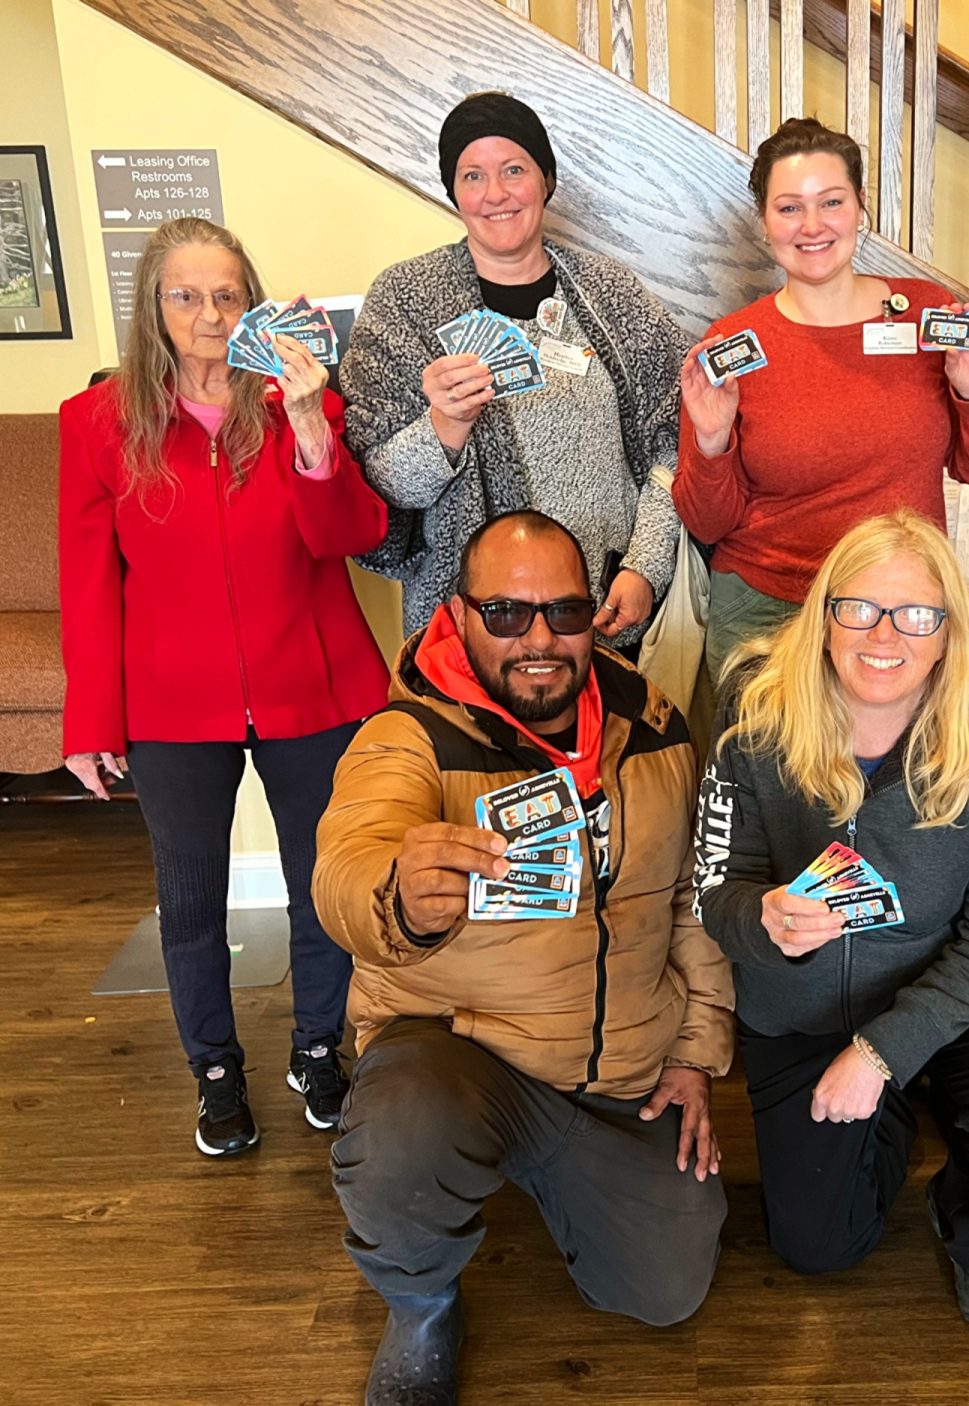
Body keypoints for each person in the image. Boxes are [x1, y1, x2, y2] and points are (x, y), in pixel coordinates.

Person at [312, 511, 733, 1405]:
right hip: (463, 1051)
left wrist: (695, 1053)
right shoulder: (408, 735)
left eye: (564, 612)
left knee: (667, 1288)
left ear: (593, 615)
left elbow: (693, 902)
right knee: (401, 1137)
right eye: (505, 613)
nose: (539, 639)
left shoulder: (656, 727)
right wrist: (398, 895)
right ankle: (421, 1305)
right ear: (460, 614)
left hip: (614, 1072)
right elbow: (345, 863)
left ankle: (544, 1170)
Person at [694, 509, 969, 1343]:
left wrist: (880, 1054)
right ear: (825, 617)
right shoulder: (752, 717)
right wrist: (761, 920)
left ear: (946, 635)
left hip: (942, 982)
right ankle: (900, 1108)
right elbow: (713, 891)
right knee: (818, 1248)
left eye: (915, 615)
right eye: (860, 608)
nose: (884, 636)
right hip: (799, 1009)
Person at [57, 216, 390, 1156]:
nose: (209, 315)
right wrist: (90, 722)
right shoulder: (95, 423)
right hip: (171, 704)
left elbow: (350, 536)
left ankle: (317, 1048)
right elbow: (89, 584)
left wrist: (311, 430)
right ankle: (214, 1071)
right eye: (186, 296)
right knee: (192, 902)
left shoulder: (301, 401)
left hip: (312, 684)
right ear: (153, 308)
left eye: (227, 296)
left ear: (253, 305)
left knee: (321, 889)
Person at [674, 117, 969, 682]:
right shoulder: (733, 346)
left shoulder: (926, 314)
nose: (812, 225)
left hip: (899, 611)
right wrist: (712, 442)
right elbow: (709, 525)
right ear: (764, 223)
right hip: (771, 611)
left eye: (831, 202)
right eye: (789, 208)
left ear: (860, 208)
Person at [341, 91, 692, 647]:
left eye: (513, 170)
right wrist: (445, 426)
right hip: (468, 630)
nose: (495, 194)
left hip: (603, 612)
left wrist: (645, 566)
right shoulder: (405, 301)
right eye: (472, 176)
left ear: (545, 180)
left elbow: (673, 442)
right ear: (453, 191)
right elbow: (379, 490)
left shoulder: (611, 292)